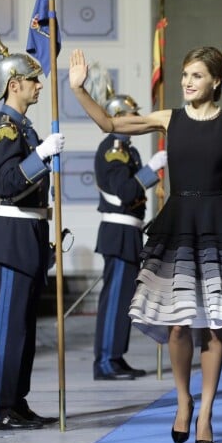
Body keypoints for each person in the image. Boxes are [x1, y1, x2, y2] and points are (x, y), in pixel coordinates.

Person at [69, 46, 222, 443]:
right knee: (178, 322)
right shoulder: (168, 119)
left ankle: (207, 412)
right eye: (184, 75)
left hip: (217, 225)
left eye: (196, 75)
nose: (187, 82)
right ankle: (183, 400)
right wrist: (79, 90)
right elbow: (109, 122)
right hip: (177, 225)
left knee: (214, 324)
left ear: (216, 81)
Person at [0, 17, 65, 430]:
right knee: (5, 328)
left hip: (29, 233)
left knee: (21, 329)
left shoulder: (24, 126)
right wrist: (39, 157)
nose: (39, 85)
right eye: (33, 80)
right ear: (13, 85)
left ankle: (16, 402)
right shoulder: (4, 129)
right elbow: (2, 182)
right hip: (11, 235)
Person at [93, 93, 167, 381]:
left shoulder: (127, 149)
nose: (137, 119)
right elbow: (125, 191)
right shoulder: (114, 149)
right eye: (131, 115)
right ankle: (105, 361)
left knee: (124, 299)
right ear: (118, 118)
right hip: (118, 230)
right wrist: (152, 169)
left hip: (129, 230)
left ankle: (115, 356)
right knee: (114, 300)